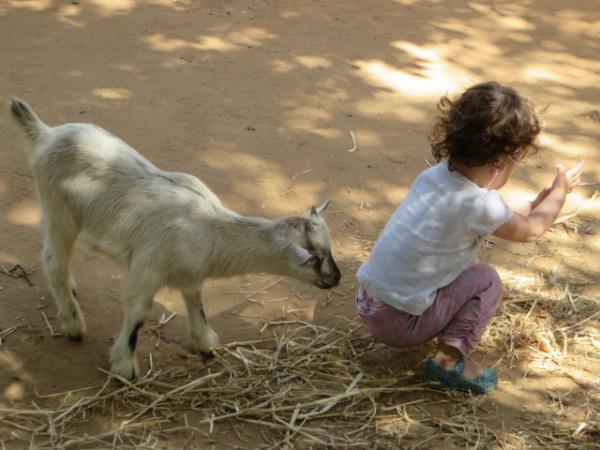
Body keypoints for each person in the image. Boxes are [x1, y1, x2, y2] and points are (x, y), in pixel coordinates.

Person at [356, 82, 585, 393]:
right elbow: (529, 230)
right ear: (501, 163)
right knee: (485, 280)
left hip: (369, 302)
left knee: (467, 267)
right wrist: (559, 193)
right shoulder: (478, 205)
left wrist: (536, 202)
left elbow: (500, 217)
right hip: (399, 325)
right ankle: (447, 365)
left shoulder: (436, 177)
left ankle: (441, 345)